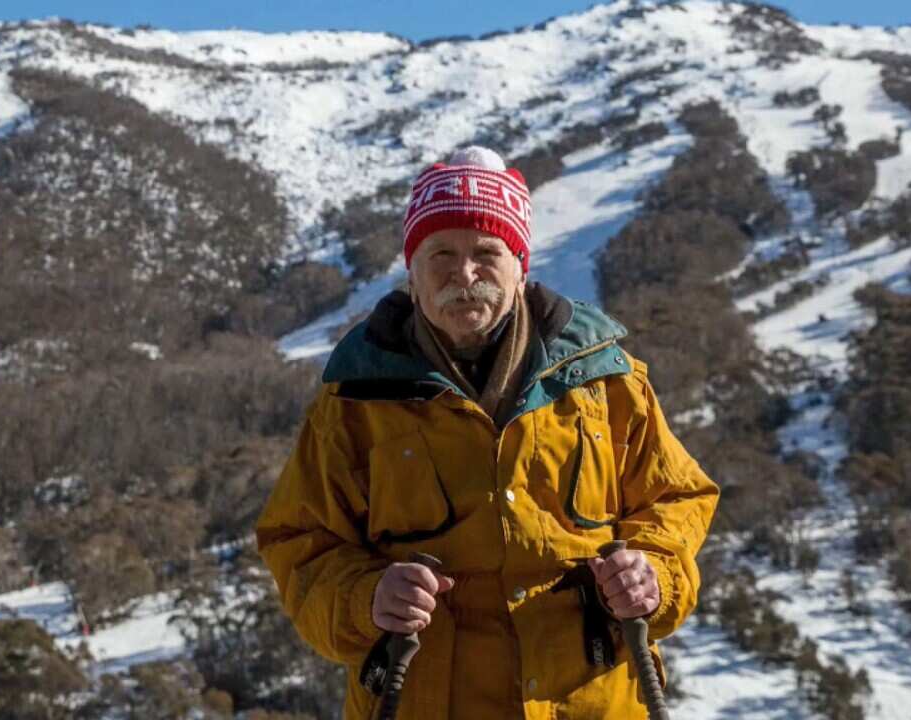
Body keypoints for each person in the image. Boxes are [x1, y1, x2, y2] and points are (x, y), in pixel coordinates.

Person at [256, 146, 719, 719]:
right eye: (441, 254)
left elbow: (677, 498)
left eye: (486, 253)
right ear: (412, 272)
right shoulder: (354, 400)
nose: (465, 274)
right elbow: (299, 541)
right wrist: (365, 598)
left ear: (521, 266)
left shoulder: (606, 380)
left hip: (593, 704)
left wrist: (654, 574)